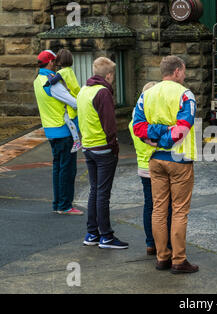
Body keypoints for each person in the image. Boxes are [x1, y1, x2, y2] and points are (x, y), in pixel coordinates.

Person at [133, 55, 198, 274]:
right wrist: (166, 135)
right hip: (179, 159)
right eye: (184, 71)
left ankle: (162, 257)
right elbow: (183, 127)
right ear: (177, 71)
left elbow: (138, 127)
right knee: (179, 211)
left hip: (155, 159)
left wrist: (156, 135)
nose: (185, 74)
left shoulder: (146, 95)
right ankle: (179, 260)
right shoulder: (185, 94)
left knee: (158, 209)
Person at [77, 56, 128, 249]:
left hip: (88, 146)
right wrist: (114, 147)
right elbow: (109, 124)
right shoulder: (103, 93)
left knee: (94, 191)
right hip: (103, 148)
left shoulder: (84, 90)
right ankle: (106, 236)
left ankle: (92, 233)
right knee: (103, 194)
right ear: (109, 75)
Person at [33, 50, 83, 216]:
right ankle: (65, 205)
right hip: (64, 131)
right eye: (54, 62)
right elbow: (75, 103)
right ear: (49, 63)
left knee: (58, 169)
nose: (57, 65)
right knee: (67, 170)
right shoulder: (52, 82)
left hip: (50, 130)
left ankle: (58, 203)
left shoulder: (37, 80)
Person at [128, 81, 173, 256]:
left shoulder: (134, 122)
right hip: (159, 166)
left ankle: (150, 243)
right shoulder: (154, 122)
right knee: (165, 207)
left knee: (150, 206)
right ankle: (166, 242)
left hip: (143, 167)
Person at [45, 49, 82, 153]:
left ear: (60, 61)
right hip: (76, 94)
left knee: (68, 119)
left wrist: (48, 74)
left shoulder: (62, 72)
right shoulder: (69, 70)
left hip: (72, 97)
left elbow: (52, 81)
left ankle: (76, 140)